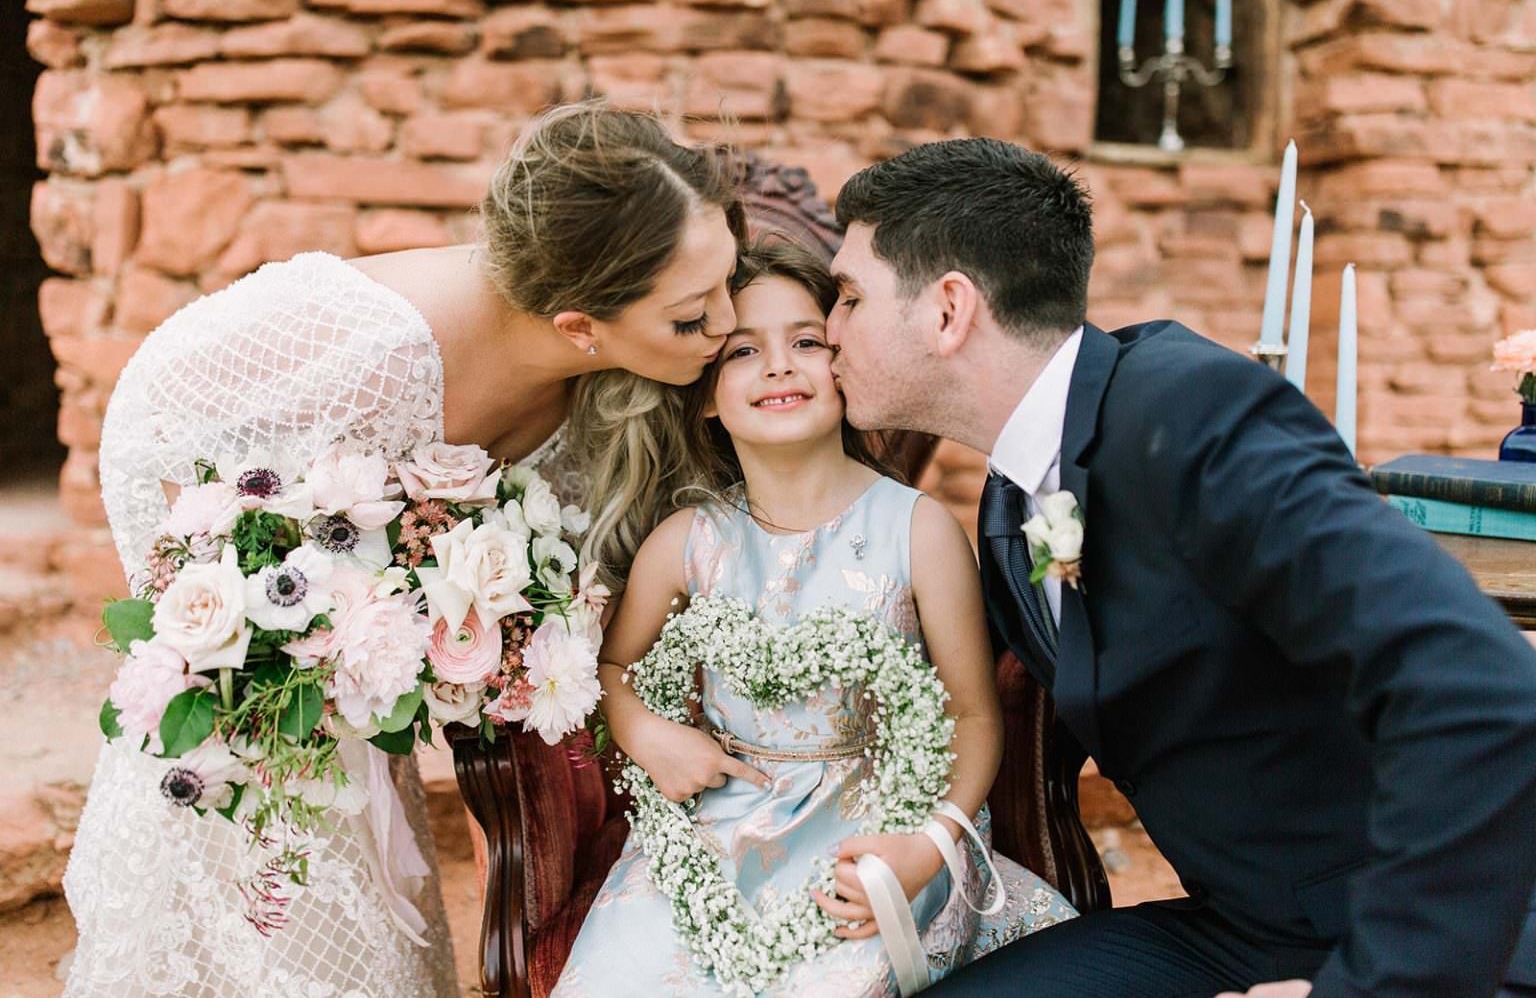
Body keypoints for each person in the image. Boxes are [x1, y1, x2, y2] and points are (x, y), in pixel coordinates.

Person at [823, 136, 1536, 998]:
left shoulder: (1195, 416)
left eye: (849, 298)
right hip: (1244, 926)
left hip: (1452, 936)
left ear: (948, 311)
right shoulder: (1016, 496)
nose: (828, 333)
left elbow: (1480, 685)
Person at [63, 100, 746, 998]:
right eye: (694, 317)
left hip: (358, 565)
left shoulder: (624, 371)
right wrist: (238, 608)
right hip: (206, 477)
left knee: (355, 771)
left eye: (726, 284)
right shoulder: (382, 356)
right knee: (252, 773)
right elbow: (166, 409)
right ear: (581, 327)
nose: (729, 325)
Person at [552, 239, 1075, 997]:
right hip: (719, 834)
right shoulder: (686, 544)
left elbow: (971, 713)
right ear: (704, 393)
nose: (778, 365)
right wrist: (648, 732)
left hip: (879, 822)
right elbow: (612, 669)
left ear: (843, 366)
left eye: (806, 341)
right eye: (742, 352)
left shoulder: (918, 531)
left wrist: (925, 847)